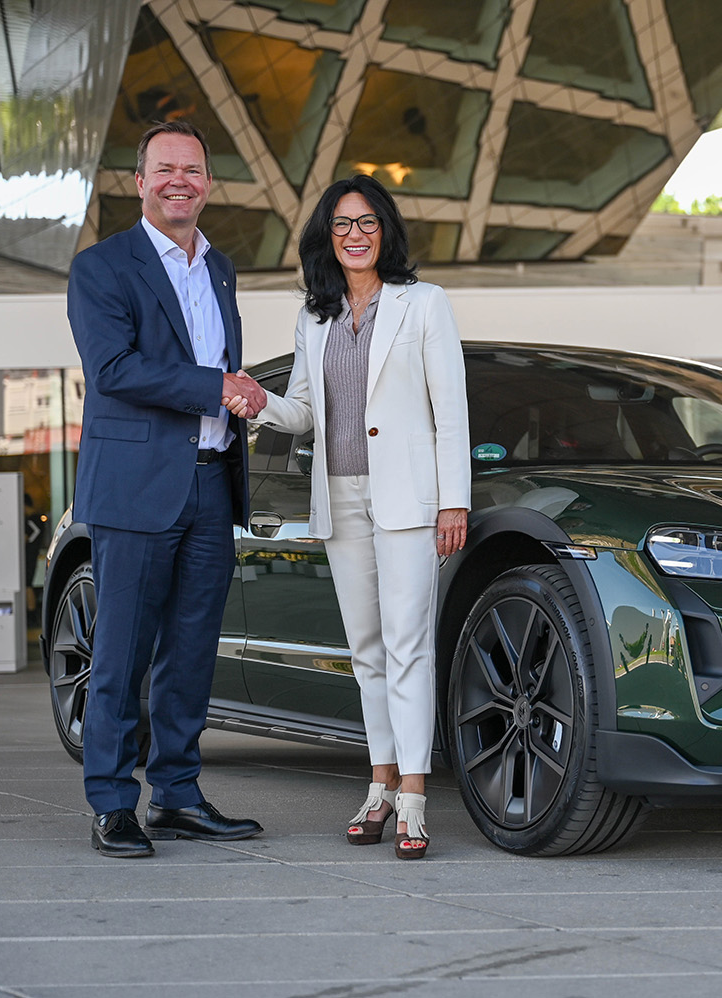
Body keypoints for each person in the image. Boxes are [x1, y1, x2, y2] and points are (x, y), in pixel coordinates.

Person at [225, 174, 470, 860]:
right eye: (341, 225)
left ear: (384, 230)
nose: (354, 235)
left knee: (407, 646)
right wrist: (257, 401)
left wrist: (456, 499)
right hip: (341, 498)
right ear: (325, 239)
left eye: (366, 223)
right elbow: (302, 410)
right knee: (366, 653)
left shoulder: (424, 305)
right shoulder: (316, 315)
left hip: (409, 501)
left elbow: (449, 410)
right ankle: (379, 785)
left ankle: (415, 799)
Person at [67, 119, 268, 858]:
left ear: (206, 182)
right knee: (121, 654)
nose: (180, 180)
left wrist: (234, 395)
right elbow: (114, 369)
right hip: (138, 489)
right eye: (165, 169)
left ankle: (177, 795)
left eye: (193, 169)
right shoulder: (102, 268)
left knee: (190, 653)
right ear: (140, 182)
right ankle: (113, 802)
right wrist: (217, 386)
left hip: (212, 485)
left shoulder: (221, 267)